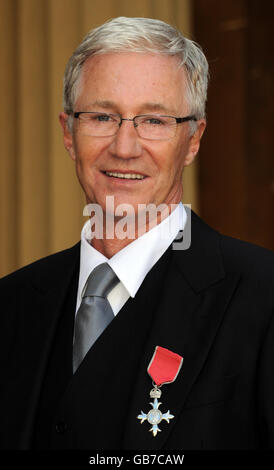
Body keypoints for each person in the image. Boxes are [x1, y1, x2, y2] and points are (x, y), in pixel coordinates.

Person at [0, 16, 273, 451]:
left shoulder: (263, 298)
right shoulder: (9, 305)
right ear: (68, 132)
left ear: (194, 138)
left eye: (154, 121)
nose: (125, 148)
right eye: (103, 116)